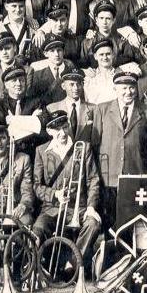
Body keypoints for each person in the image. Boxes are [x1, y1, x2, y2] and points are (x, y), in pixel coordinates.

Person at [32, 110, 101, 263]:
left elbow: (93, 180)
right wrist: (54, 194)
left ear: (69, 125)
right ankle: (36, 271)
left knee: (93, 224)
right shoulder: (41, 151)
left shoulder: (83, 147)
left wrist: (91, 207)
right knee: (37, 230)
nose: (62, 133)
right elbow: (36, 186)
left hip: (80, 207)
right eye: (57, 129)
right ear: (49, 131)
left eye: (64, 127)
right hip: (51, 208)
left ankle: (74, 264)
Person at [91, 71, 147, 232]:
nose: (128, 92)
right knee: (110, 222)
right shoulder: (102, 109)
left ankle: (131, 256)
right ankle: (111, 255)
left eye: (132, 87)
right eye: (124, 88)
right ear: (115, 89)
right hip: (109, 175)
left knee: (133, 221)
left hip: (135, 174)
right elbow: (95, 144)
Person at [46, 67, 95, 144]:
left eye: (78, 84)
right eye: (71, 84)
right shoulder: (51, 109)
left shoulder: (93, 109)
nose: (75, 88)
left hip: (85, 154)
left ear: (83, 85)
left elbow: (96, 139)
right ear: (63, 86)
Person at [26, 35, 75, 107]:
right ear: (46, 54)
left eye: (59, 50)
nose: (56, 54)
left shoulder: (72, 72)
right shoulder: (38, 75)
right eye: (52, 51)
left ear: (64, 52)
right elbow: (34, 99)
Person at [83, 39, 122, 106]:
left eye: (108, 54)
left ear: (113, 54)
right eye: (101, 54)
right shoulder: (89, 78)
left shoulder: (120, 76)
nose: (105, 57)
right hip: (95, 114)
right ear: (95, 56)